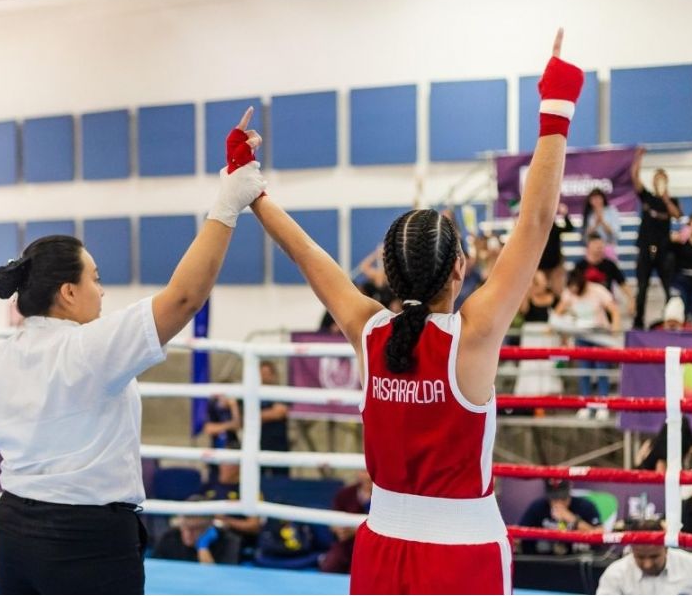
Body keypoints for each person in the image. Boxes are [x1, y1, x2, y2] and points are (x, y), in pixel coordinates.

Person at [248, 30, 583, 594]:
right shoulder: (470, 336)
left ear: (389, 273)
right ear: (459, 270)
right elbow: (536, 221)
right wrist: (556, 106)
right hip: (460, 556)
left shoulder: (370, 330)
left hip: (380, 548)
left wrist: (250, 188)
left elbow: (308, 255)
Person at [0, 109, 266, 595]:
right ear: (67, 292)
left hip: (13, 530)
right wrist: (229, 199)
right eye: (96, 280)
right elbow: (184, 298)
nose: (102, 293)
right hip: (86, 541)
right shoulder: (91, 347)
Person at [595, 519, 692, 595]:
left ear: (666, 548)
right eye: (640, 557)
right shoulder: (615, 574)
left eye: (654, 556)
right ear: (631, 549)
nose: (647, 564)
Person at [554, 267, 622, 418]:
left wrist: (615, 331)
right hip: (581, 335)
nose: (574, 290)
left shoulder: (597, 291)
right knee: (583, 370)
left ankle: (602, 404)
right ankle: (585, 403)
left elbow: (614, 310)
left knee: (601, 369)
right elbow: (557, 314)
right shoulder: (569, 294)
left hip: (599, 335)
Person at [631, 148, 683, 330]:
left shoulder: (672, 201)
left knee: (668, 287)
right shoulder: (647, 197)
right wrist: (638, 158)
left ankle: (670, 320)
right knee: (642, 287)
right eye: (657, 179)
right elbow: (635, 179)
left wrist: (666, 199)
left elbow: (677, 215)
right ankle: (638, 322)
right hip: (646, 248)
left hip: (664, 250)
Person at [517, 479, 601, 555]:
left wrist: (572, 519)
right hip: (544, 562)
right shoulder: (538, 506)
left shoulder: (584, 506)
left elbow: (600, 534)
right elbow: (518, 536)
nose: (558, 502)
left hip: (576, 561)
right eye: (554, 498)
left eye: (563, 498)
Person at [151, 505, 242, 566]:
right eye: (184, 526)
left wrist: (203, 547)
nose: (188, 533)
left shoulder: (228, 542)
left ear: (209, 526)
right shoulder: (169, 537)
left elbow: (220, 582)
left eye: (195, 528)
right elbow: (155, 570)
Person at [319, 471, 372, 574]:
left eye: (369, 471)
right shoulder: (345, 493)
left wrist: (356, 531)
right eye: (364, 471)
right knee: (330, 566)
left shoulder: (384, 497)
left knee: (360, 574)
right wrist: (338, 529)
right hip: (345, 543)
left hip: (369, 545)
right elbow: (333, 518)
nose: (367, 476)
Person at [573, 233, 634, 308]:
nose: (599, 247)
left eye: (601, 245)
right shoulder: (580, 266)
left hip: (606, 304)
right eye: (596, 245)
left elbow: (622, 283)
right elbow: (573, 287)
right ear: (588, 246)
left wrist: (631, 300)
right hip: (586, 305)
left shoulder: (610, 265)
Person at [258, 361, 291, 477]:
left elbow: (281, 412)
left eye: (267, 373)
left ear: (273, 375)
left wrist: (260, 415)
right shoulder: (252, 394)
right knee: (258, 477)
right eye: (261, 373)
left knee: (281, 478)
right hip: (259, 442)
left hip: (279, 443)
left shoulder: (281, 393)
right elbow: (246, 417)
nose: (264, 376)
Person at [540, 202, 574, 295]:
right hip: (541, 264)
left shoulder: (554, 228)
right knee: (541, 287)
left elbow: (569, 228)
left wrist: (565, 214)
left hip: (555, 263)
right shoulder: (537, 230)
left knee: (556, 288)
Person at [582, 187, 622, 258]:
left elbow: (615, 233)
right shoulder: (589, 214)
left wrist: (603, 222)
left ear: (603, 198)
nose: (596, 201)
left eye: (598, 198)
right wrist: (596, 224)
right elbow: (585, 236)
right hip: (592, 249)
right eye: (593, 198)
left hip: (608, 246)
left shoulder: (611, 211)